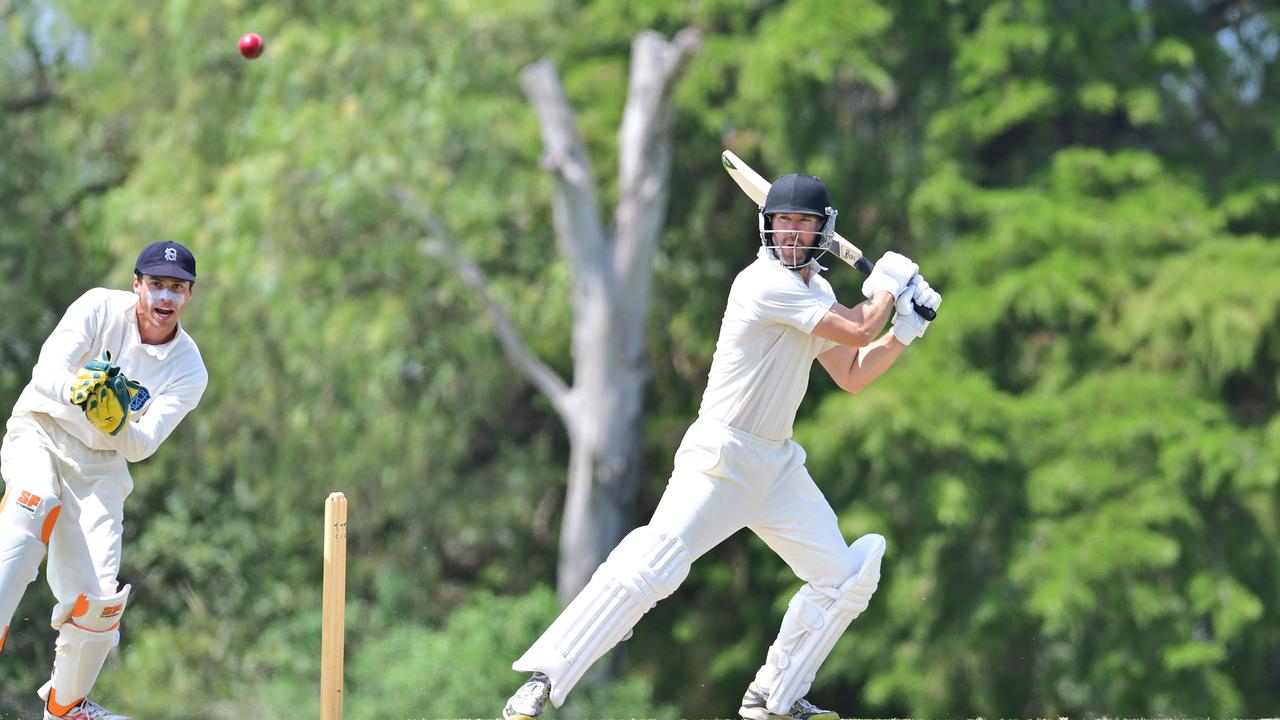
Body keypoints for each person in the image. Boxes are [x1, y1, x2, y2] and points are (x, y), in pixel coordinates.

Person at [501, 173, 942, 720]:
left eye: (803, 224)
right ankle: (546, 679)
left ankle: (773, 699)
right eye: (782, 222)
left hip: (777, 468)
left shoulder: (819, 293)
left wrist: (903, 332)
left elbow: (852, 371)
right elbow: (857, 328)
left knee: (845, 578)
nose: (791, 234)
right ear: (766, 226)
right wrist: (888, 285)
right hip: (720, 459)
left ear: (823, 231)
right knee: (652, 565)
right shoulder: (761, 284)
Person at [0, 241, 208, 720]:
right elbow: (46, 371)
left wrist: (114, 421)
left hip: (101, 466)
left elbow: (141, 445)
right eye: (157, 284)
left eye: (177, 288)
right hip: (43, 429)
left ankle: (65, 708)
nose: (165, 298)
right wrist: (82, 393)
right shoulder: (98, 306)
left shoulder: (189, 369)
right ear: (137, 284)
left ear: (189, 296)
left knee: (100, 605)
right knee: (32, 505)